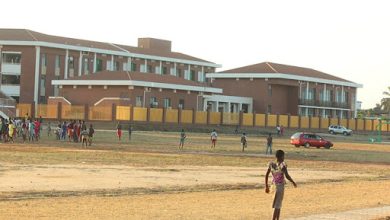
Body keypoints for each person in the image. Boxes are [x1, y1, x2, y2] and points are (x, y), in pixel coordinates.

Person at [265, 150, 297, 220]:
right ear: (281, 157)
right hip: (280, 187)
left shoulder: (271, 164)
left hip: (273, 186)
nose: (284, 157)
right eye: (283, 156)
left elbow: (266, 175)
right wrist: (293, 182)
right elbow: (287, 176)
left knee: (278, 205)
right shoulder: (283, 165)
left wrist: (266, 186)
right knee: (277, 206)